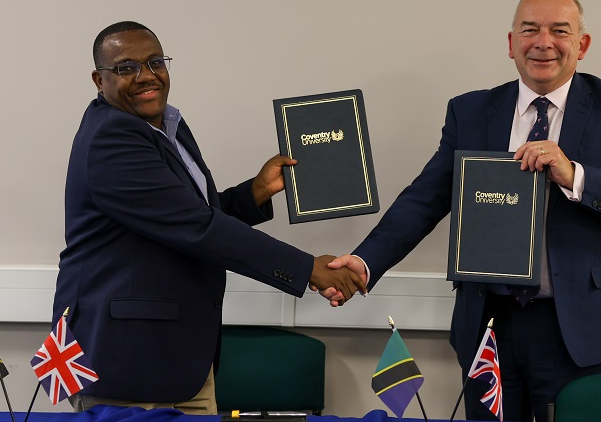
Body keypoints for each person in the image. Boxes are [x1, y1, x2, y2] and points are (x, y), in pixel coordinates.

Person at [325, 0, 601, 422]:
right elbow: (423, 200)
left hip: (574, 327)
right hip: (489, 324)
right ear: (511, 44)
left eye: (559, 31)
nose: (543, 42)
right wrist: (365, 261)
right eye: (530, 30)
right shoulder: (470, 112)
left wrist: (575, 175)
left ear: (581, 45)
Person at [53, 21, 366, 415]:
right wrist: (308, 269)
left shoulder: (165, 124)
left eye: (155, 62)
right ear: (99, 80)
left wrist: (255, 192)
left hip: (178, 356)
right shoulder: (112, 138)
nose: (146, 76)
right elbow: (197, 228)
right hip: (131, 360)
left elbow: (187, 214)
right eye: (126, 67)